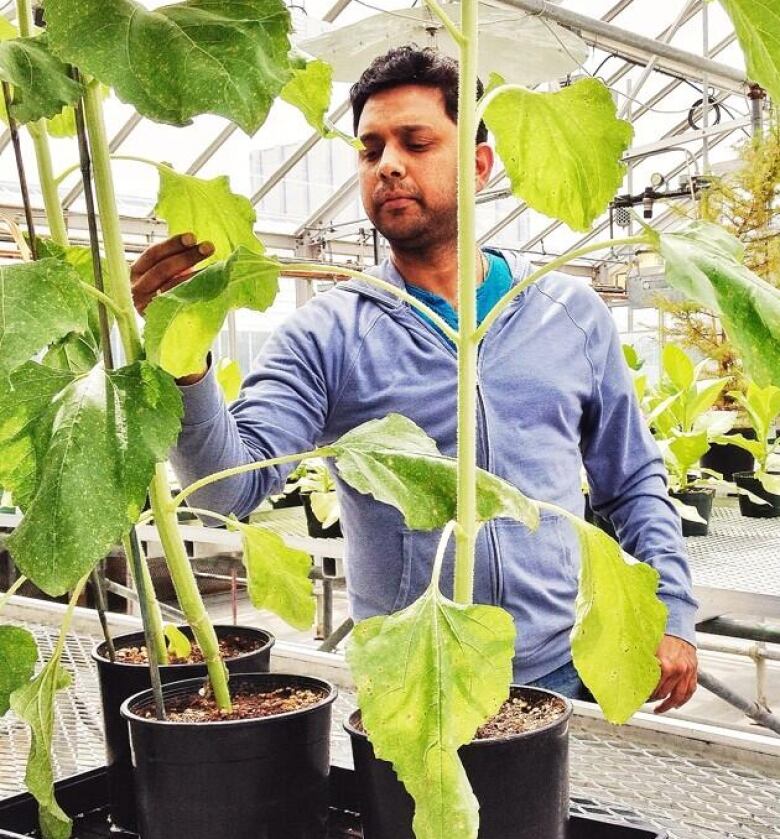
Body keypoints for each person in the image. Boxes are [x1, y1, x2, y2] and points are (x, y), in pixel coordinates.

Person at [131, 46, 698, 710]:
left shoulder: (570, 313)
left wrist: (670, 608)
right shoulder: (329, 331)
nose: (389, 164)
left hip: (556, 674)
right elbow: (233, 488)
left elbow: (630, 482)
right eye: (371, 150)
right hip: (410, 683)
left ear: (479, 165)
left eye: (416, 141)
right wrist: (183, 355)